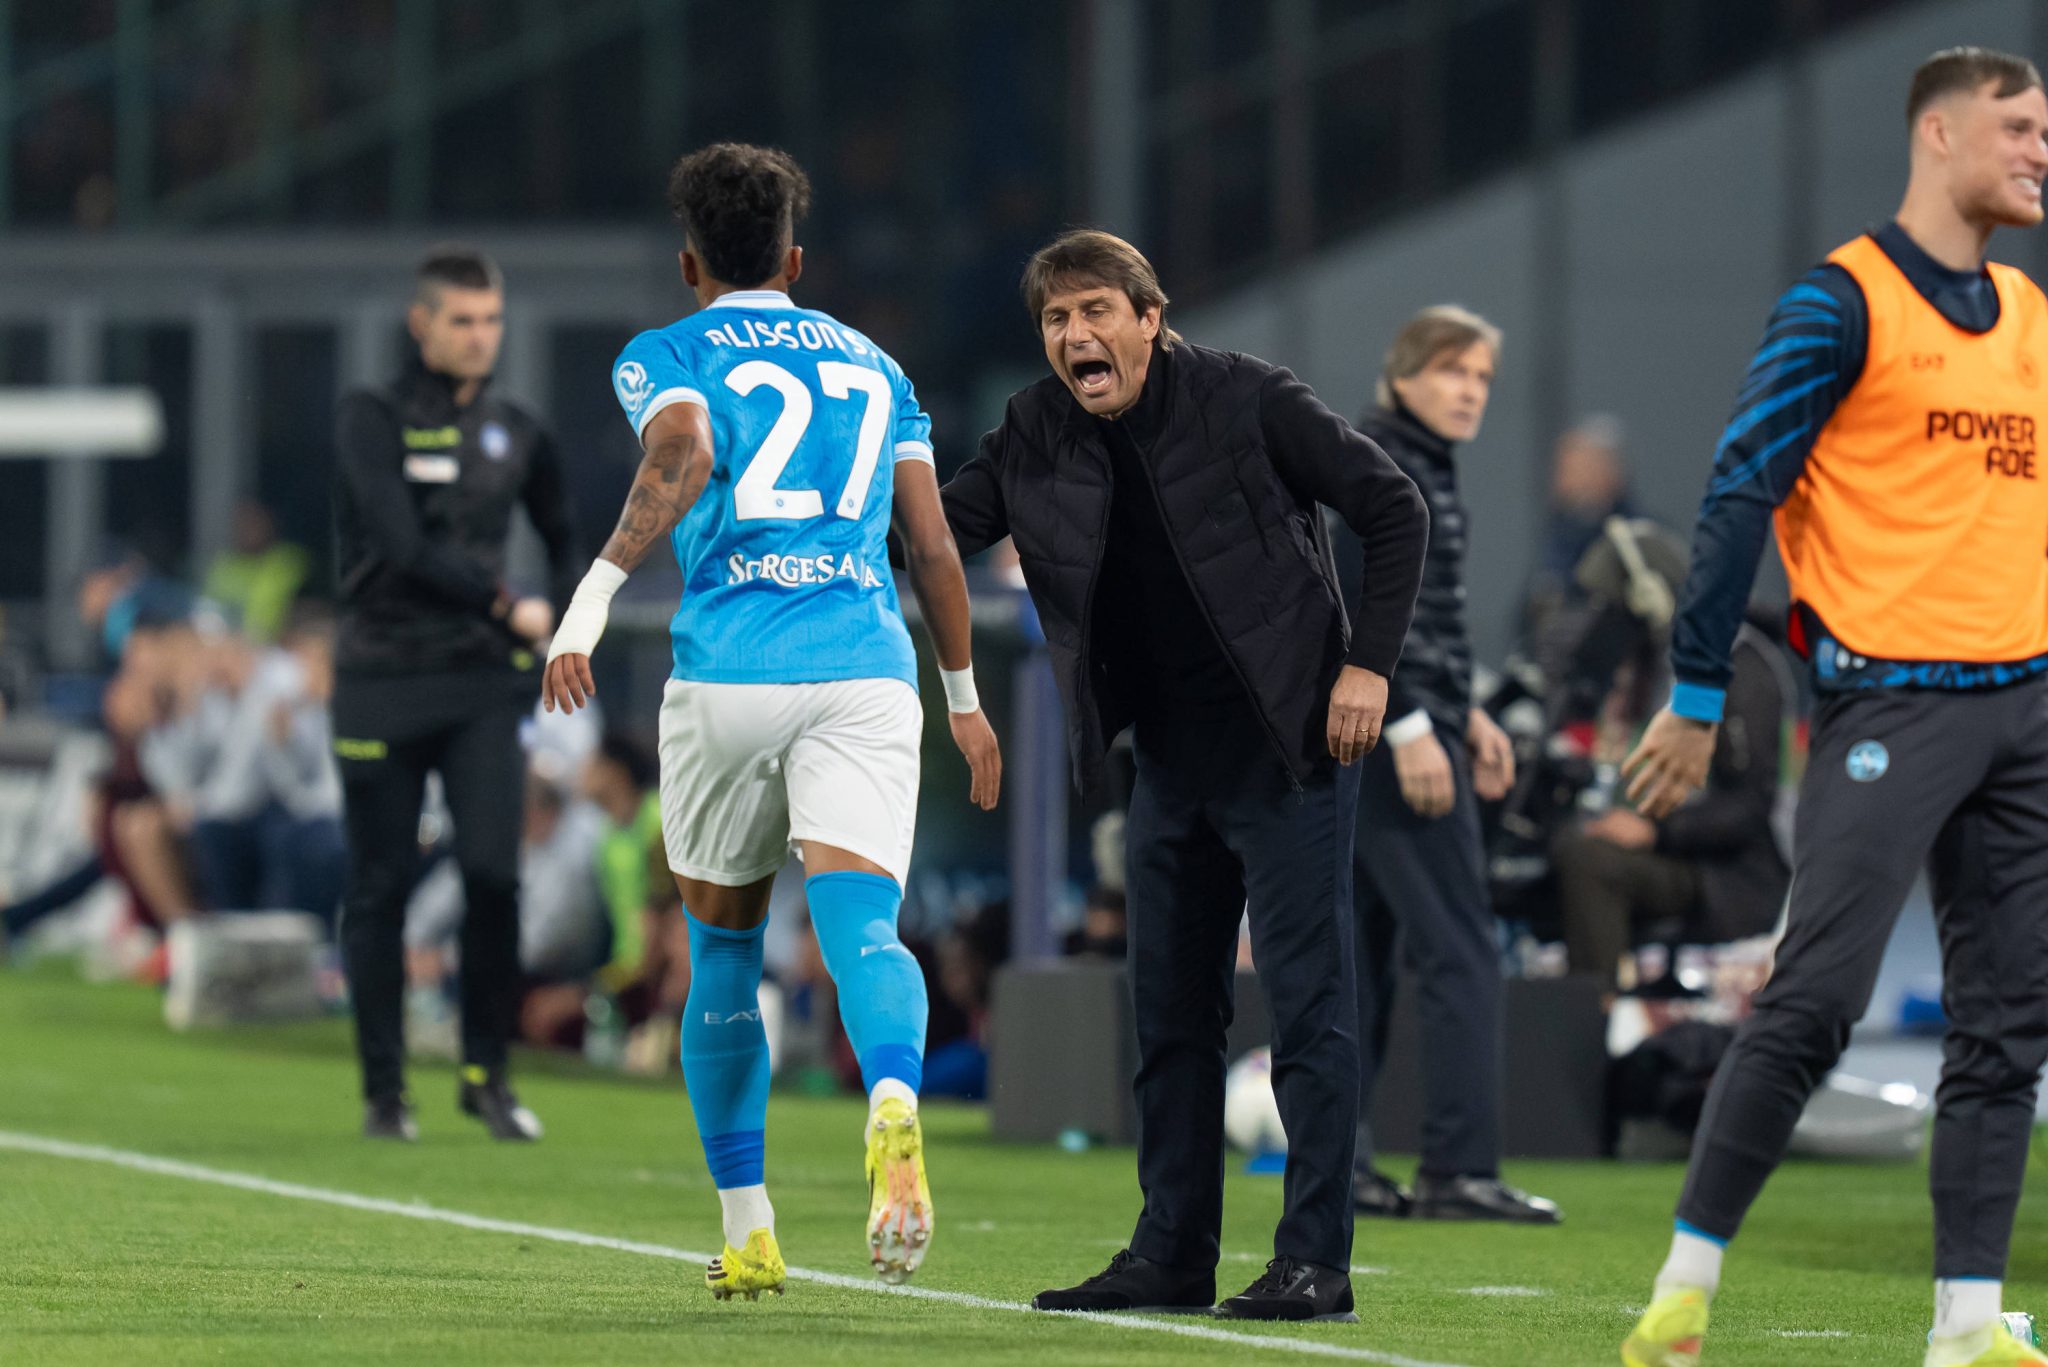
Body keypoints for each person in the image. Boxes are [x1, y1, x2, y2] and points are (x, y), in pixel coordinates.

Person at [1620, 48, 2048, 1367]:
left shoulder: (2031, 313)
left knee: (2009, 1022)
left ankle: (1966, 1323)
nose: (2040, 148)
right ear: (1938, 132)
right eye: (2018, 126)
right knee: (1813, 1000)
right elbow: (1738, 491)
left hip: (2026, 713)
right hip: (1891, 704)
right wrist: (1695, 693)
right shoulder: (1839, 302)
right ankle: (1682, 1294)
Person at [934, 229, 1427, 1322]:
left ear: (1149, 318)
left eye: (1095, 311)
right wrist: (831, 529)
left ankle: (1315, 1259)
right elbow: (941, 532)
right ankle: (1171, 1251)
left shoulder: (1250, 398)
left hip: (1288, 743)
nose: (1075, 336)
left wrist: (1367, 671)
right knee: (1164, 1016)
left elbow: (1394, 508)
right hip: (1163, 757)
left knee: (1306, 1009)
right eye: (1056, 320)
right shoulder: (1032, 428)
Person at [539, 143, 1001, 1299]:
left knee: (724, 958)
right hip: (863, 667)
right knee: (864, 929)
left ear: (690, 260)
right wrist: (965, 699)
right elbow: (933, 547)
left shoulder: (670, 352)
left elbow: (684, 449)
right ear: (796, 258)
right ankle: (892, 1099)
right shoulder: (876, 365)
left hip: (731, 674)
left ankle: (750, 1228)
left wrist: (587, 602)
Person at [331, 244, 580, 1144]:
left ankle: (486, 1074)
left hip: (482, 684)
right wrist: (508, 602)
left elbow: (562, 533)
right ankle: (385, 1091)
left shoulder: (519, 429)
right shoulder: (371, 416)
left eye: (492, 321)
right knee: (381, 887)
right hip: (380, 680)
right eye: (463, 320)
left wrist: (569, 615)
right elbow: (397, 542)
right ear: (421, 323)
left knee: (492, 877)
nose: (481, 338)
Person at [1338, 306, 1561, 1225]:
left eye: (1480, 377)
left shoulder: (1415, 461)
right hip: (1394, 738)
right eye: (1451, 371)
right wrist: (1415, 725)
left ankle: (1340, 1163)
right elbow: (1353, 602)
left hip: (1402, 724)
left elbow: (1418, 619)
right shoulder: (1379, 462)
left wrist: (1464, 711)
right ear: (1402, 376)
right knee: (1462, 947)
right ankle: (1457, 1168)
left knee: (1364, 959)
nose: (1469, 390)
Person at [1551, 526, 1790, 990]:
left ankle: (1591, 1022)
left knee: (1588, 860)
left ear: (1649, 599)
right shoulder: (1654, 665)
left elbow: (1748, 808)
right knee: (1558, 845)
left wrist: (1653, 832)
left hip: (1728, 875)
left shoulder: (1741, 667)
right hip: (1675, 852)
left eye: (1614, 608)